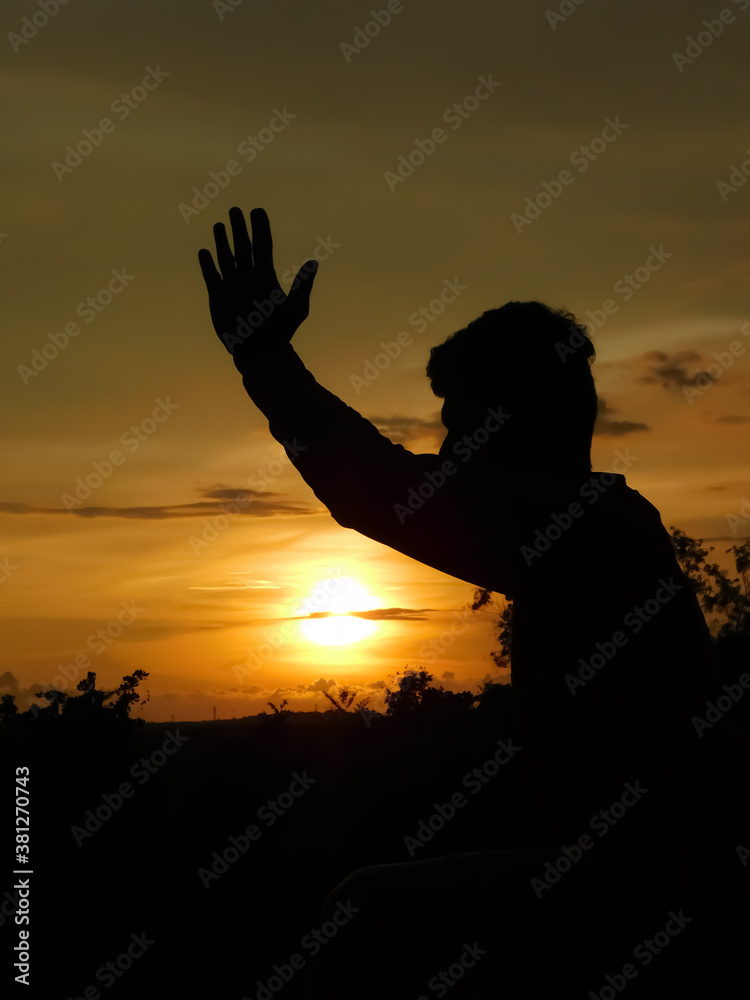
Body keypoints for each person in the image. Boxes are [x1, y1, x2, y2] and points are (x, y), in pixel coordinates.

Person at [199, 207, 747, 996]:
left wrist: (267, 360)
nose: (446, 442)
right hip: (648, 875)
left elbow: (382, 490)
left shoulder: (589, 528)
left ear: (516, 415)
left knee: (360, 909)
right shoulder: (598, 525)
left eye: (460, 416)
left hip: (658, 891)